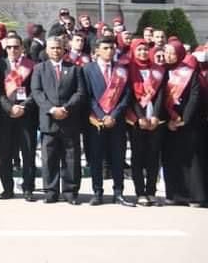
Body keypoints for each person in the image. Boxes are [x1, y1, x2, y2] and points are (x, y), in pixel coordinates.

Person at [31, 35, 86, 204]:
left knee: (71, 158)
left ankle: (70, 192)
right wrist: (52, 109)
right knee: (49, 159)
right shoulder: (39, 68)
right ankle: (51, 191)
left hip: (69, 119)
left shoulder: (75, 69)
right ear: (47, 50)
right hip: (49, 121)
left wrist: (66, 108)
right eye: (52, 48)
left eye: (59, 48)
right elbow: (37, 92)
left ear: (64, 50)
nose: (56, 51)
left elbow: (80, 92)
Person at [83, 36, 134, 206]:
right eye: (105, 48)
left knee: (118, 157)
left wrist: (114, 115)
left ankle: (118, 192)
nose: (109, 51)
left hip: (116, 121)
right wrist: (101, 114)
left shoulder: (121, 70)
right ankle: (97, 192)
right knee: (96, 158)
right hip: (96, 122)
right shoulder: (87, 69)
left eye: (112, 48)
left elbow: (126, 95)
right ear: (97, 50)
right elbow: (87, 96)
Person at [0, 32, 38, 200]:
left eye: (16, 47)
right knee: (5, 154)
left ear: (22, 48)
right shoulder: (0, 65)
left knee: (28, 153)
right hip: (6, 116)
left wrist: (23, 107)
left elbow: (35, 91)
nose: (12, 50)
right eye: (9, 47)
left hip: (26, 115)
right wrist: (10, 108)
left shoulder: (31, 65)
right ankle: (7, 189)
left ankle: (28, 188)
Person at [125, 37, 167, 205]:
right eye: (139, 50)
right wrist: (140, 117)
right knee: (138, 157)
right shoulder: (128, 70)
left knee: (153, 156)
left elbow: (161, 94)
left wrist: (156, 115)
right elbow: (130, 96)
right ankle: (140, 192)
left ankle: (151, 191)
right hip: (136, 120)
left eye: (145, 49)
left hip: (155, 120)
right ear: (133, 51)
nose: (143, 52)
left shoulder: (157, 70)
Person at [161, 40, 202, 206]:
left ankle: (194, 196)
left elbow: (195, 96)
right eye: (166, 52)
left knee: (191, 159)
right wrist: (167, 119)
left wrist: (184, 119)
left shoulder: (190, 73)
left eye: (172, 53)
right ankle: (174, 194)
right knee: (170, 158)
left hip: (187, 122)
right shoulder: (161, 72)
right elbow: (158, 97)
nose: (168, 56)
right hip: (167, 122)